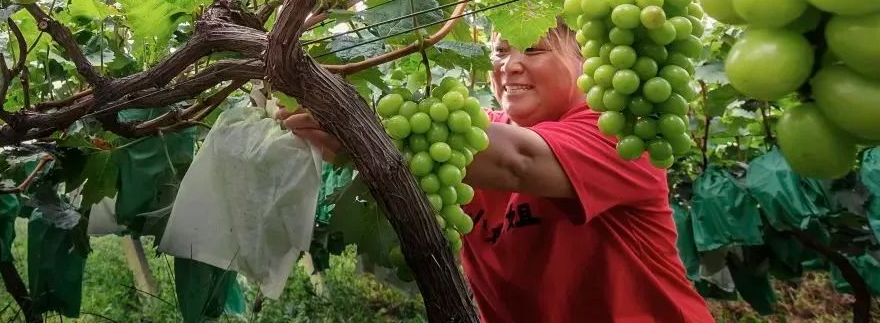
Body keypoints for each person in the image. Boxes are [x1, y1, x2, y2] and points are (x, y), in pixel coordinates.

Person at [277, 20, 714, 323]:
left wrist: (361, 126)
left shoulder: (621, 132)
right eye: (501, 51)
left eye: (536, 49)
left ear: (587, 65)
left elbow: (517, 161)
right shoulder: (463, 131)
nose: (511, 65)